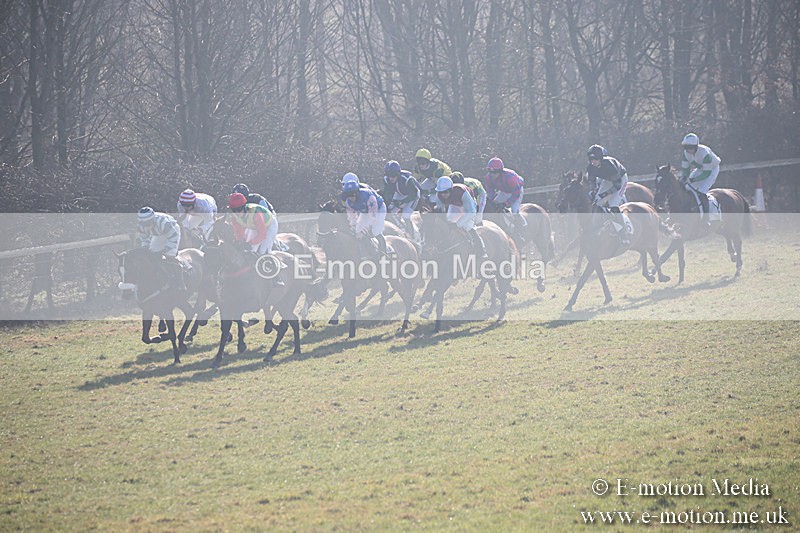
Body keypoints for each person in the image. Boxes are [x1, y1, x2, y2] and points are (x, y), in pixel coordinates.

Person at [585, 144, 629, 244]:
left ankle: (623, 233)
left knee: (613, 205)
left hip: (621, 180)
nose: (593, 161)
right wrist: (593, 191)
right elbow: (592, 181)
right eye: (591, 159)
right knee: (597, 203)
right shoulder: (590, 167)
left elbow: (617, 186)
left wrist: (604, 194)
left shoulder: (609, 165)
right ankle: (606, 225)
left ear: (600, 158)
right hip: (607, 180)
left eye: (595, 159)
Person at [434, 176, 487, 258]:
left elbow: (472, 212)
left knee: (466, 226)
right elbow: (441, 211)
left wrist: (458, 224)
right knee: (448, 222)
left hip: (468, 207)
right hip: (455, 205)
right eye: (441, 192)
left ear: (451, 190)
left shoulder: (461, 192)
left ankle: (481, 250)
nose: (443, 195)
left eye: (446, 192)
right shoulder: (438, 196)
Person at [136, 207, 185, 291]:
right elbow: (144, 239)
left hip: (172, 232)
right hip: (158, 235)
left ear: (153, 220)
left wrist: (166, 249)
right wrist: (145, 249)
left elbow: (173, 237)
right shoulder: (141, 226)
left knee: (169, 256)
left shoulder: (164, 223)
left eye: (148, 224)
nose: (147, 227)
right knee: (151, 254)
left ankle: (180, 282)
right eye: (145, 225)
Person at [680, 133, 721, 225]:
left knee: (702, 192)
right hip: (700, 169)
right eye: (686, 147)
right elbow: (685, 170)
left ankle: (706, 219)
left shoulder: (705, 153)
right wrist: (684, 178)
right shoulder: (685, 154)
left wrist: (693, 180)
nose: (688, 150)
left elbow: (706, 173)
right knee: (687, 187)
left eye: (690, 147)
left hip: (712, 170)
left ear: (696, 146)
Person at [342, 175, 387, 257]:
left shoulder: (367, 195)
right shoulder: (348, 202)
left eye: (353, 195)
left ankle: (384, 254)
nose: (351, 198)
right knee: (357, 231)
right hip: (366, 211)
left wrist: (363, 232)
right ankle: (367, 253)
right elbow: (352, 217)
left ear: (357, 192)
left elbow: (372, 217)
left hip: (379, 209)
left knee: (376, 231)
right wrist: (353, 226)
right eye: (349, 195)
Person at [484, 157, 527, 231]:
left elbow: (516, 193)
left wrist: (506, 203)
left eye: (495, 172)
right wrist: (491, 200)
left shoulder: (510, 177)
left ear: (500, 171)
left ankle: (523, 225)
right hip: (504, 191)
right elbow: (490, 191)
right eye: (490, 172)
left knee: (514, 210)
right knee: (494, 205)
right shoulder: (488, 178)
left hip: (516, 191)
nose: (492, 175)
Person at [381, 160, 420, 238]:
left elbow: (413, 194)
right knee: (390, 210)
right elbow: (387, 192)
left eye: (393, 175)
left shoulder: (407, 179)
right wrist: (389, 200)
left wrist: (402, 202)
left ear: (398, 174)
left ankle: (412, 236)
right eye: (389, 175)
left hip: (413, 195)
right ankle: (400, 227)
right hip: (400, 193)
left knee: (406, 215)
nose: (391, 178)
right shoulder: (386, 179)